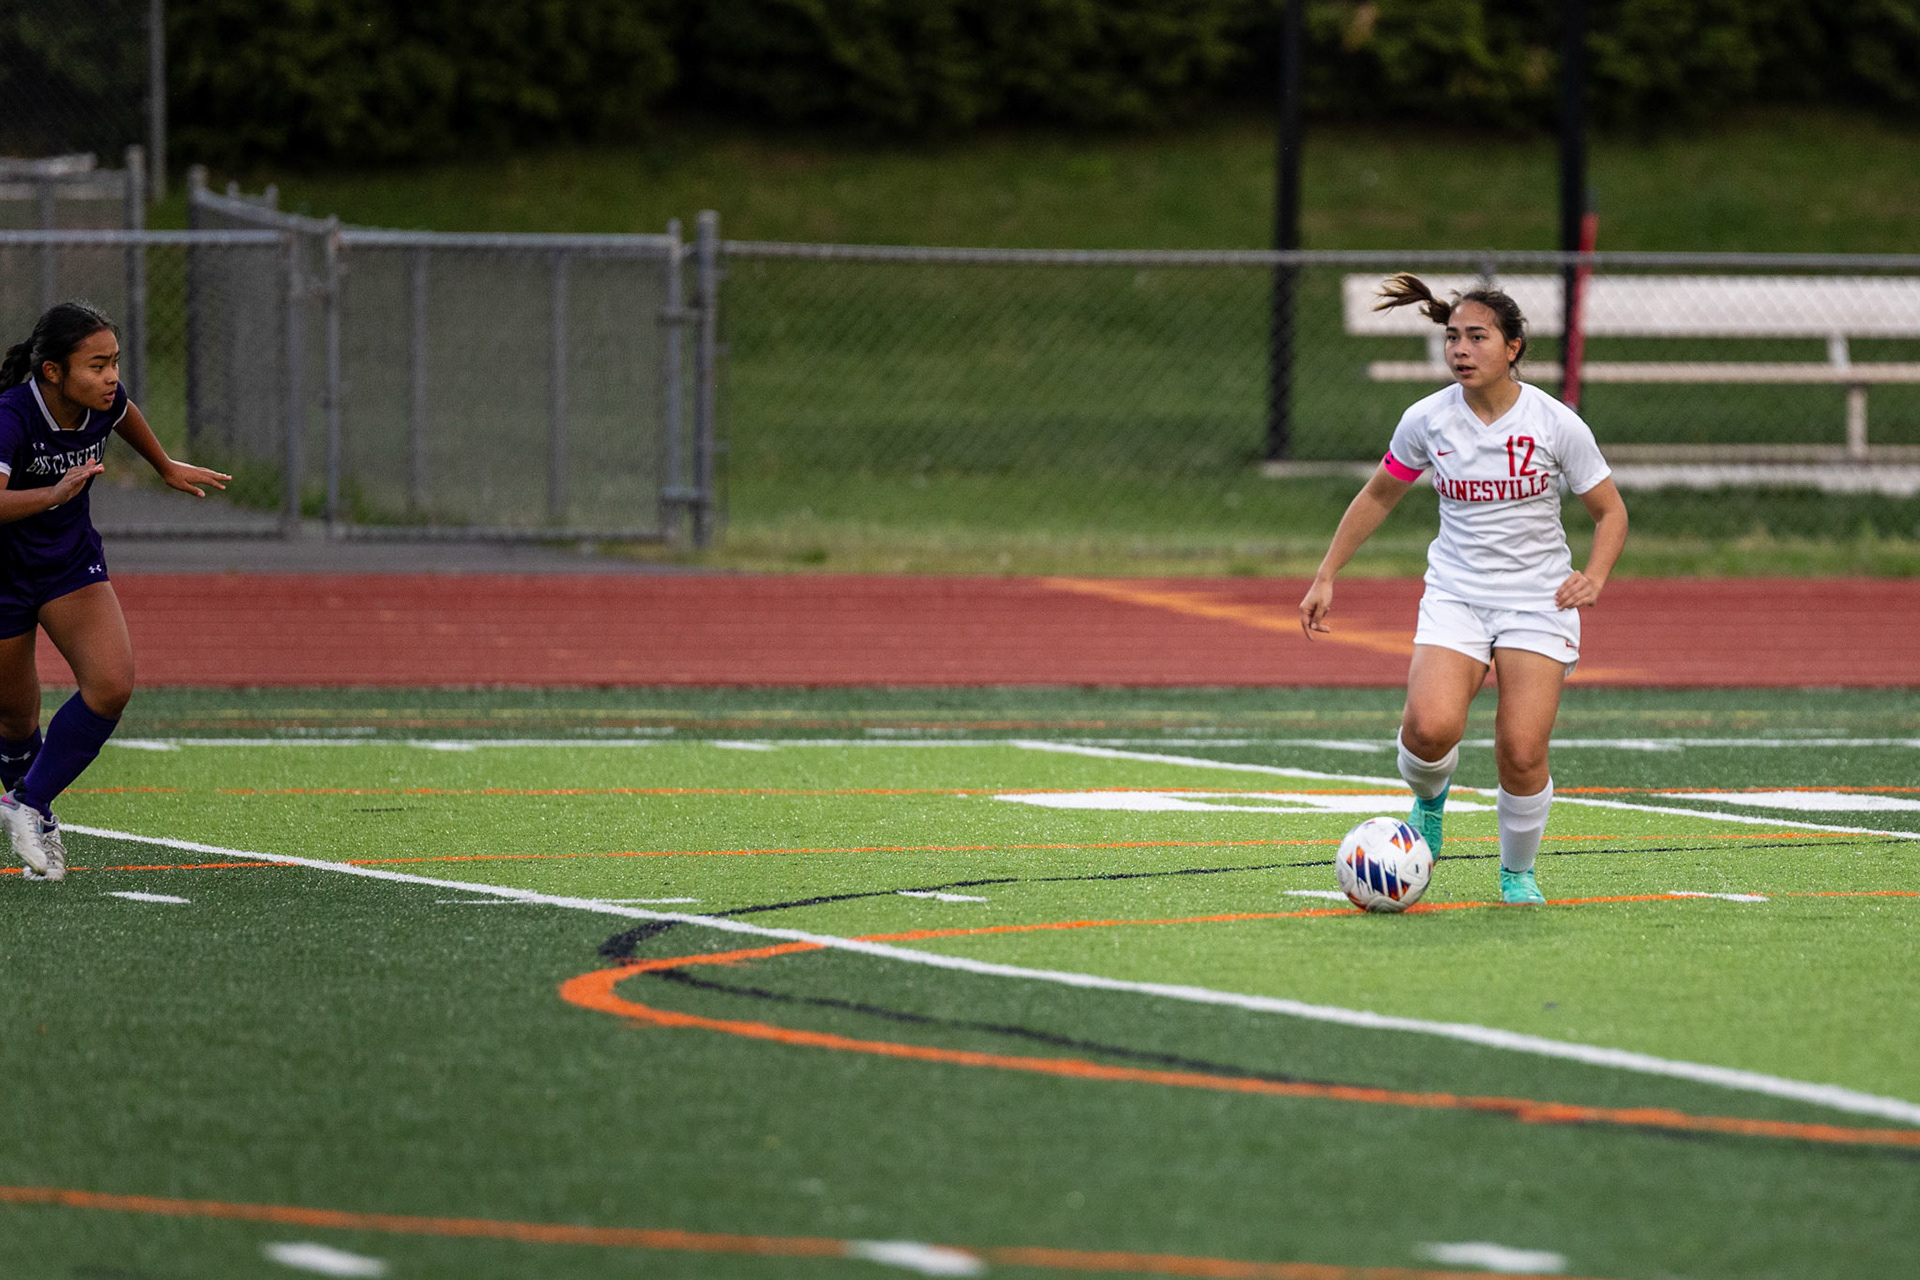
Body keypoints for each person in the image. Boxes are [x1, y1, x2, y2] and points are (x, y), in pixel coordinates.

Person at [1298, 274, 1628, 905]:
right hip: (1456, 595)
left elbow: (1610, 512)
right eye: (1453, 337)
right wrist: (1326, 574)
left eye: (1478, 337)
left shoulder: (1555, 423)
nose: (1461, 350)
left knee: (1521, 751)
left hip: (1538, 601)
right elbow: (1379, 495)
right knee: (1428, 730)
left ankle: (1517, 874)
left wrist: (1595, 576)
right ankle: (1429, 803)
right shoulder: (1427, 419)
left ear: (1513, 347)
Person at [0, 301, 231, 881]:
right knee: (14, 717)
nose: (111, 378)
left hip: (68, 565)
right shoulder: (12, 417)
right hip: (3, 574)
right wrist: (54, 494)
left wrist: (164, 464)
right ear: (53, 372)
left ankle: (27, 804)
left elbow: (125, 412)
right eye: (97, 366)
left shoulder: (102, 405)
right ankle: (33, 806)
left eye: (115, 363)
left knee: (111, 686)